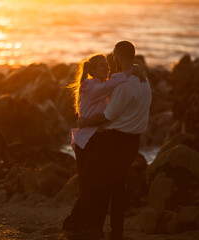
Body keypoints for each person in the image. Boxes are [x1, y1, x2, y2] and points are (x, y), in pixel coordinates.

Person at [63, 52, 146, 238]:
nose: (107, 68)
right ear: (91, 70)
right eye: (102, 66)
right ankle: (77, 225)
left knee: (93, 185)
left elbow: (115, 83)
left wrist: (135, 68)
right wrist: (133, 69)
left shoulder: (101, 84)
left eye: (107, 64)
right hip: (85, 140)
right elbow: (114, 82)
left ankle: (84, 224)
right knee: (88, 186)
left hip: (95, 137)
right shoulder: (90, 86)